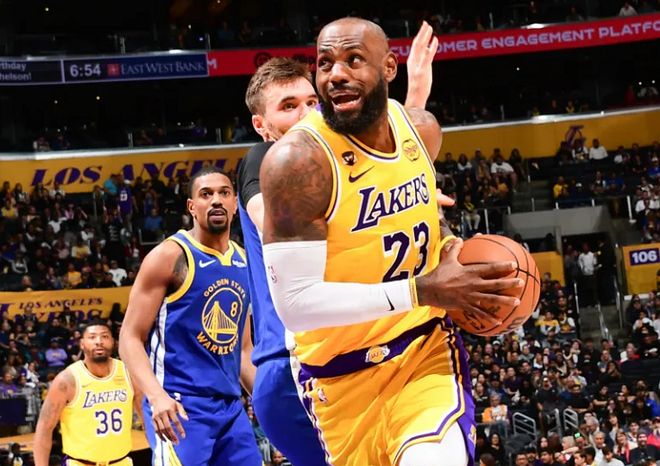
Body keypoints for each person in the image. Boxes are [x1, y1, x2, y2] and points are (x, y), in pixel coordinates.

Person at [260, 17, 523, 466]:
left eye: (353, 60)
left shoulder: (421, 132)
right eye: (325, 63)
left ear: (388, 68)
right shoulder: (297, 163)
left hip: (423, 350)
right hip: (338, 379)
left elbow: (423, 216)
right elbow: (295, 305)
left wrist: (451, 247)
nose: (336, 74)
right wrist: (422, 289)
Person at [237, 22, 442, 466]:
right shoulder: (269, 160)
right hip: (298, 362)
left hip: (351, 348)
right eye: (288, 106)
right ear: (262, 125)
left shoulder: (329, 158)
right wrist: (382, 202)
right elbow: (272, 218)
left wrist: (414, 101)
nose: (305, 113)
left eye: (310, 101)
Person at [119, 167, 261, 466]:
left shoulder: (244, 260)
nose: (216, 200)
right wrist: (156, 396)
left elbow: (243, 349)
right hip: (178, 404)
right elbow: (130, 337)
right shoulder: (170, 256)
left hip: (230, 407)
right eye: (206, 194)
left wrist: (264, 398)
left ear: (235, 203)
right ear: (191, 206)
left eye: (224, 193)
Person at [33, 320, 137, 466]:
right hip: (80, 463)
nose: (99, 341)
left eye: (105, 336)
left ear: (113, 342)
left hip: (121, 462)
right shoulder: (66, 380)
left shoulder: (129, 372)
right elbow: (44, 429)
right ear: (82, 344)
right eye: (92, 337)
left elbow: (147, 418)